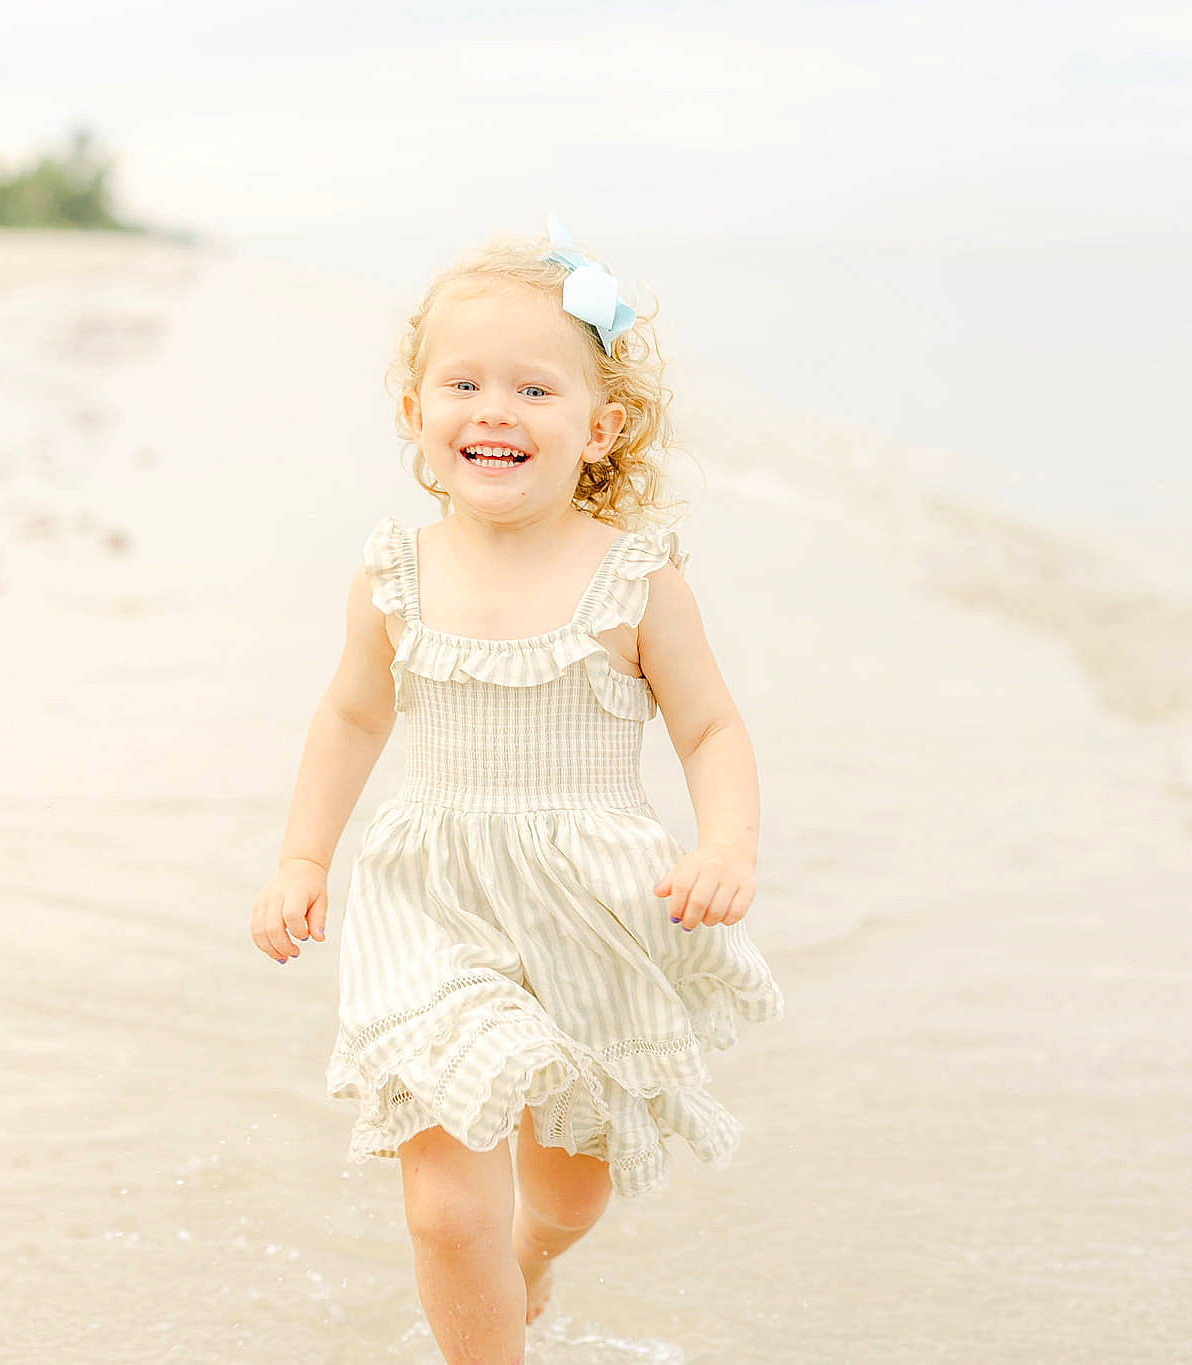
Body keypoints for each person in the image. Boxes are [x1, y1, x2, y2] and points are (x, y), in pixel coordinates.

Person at [248, 215, 784, 1363]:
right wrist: (302, 858)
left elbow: (709, 727)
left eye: (533, 388)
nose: (493, 408)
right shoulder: (395, 573)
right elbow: (350, 715)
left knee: (570, 1191)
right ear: (415, 417)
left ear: (601, 428)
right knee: (445, 1211)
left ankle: (533, 1261)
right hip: (430, 904)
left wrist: (725, 845)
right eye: (462, 382)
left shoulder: (634, 582)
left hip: (591, 908)